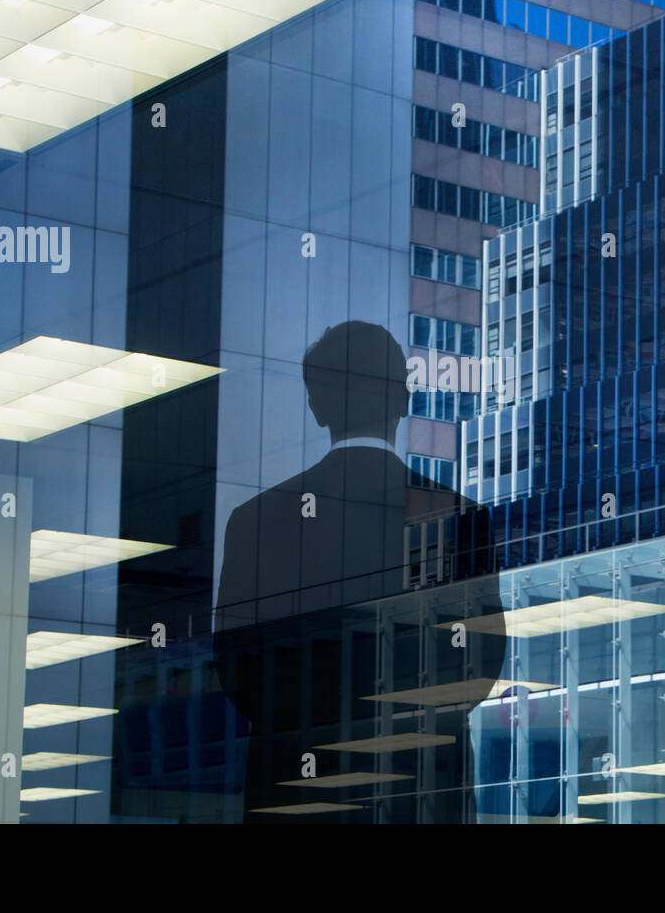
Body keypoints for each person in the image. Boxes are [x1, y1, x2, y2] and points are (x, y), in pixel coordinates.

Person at [213, 321, 506, 822]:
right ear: (403, 398)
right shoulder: (461, 517)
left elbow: (237, 665)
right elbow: (480, 666)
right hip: (423, 785)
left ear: (316, 405)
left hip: (296, 785)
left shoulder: (257, 519)